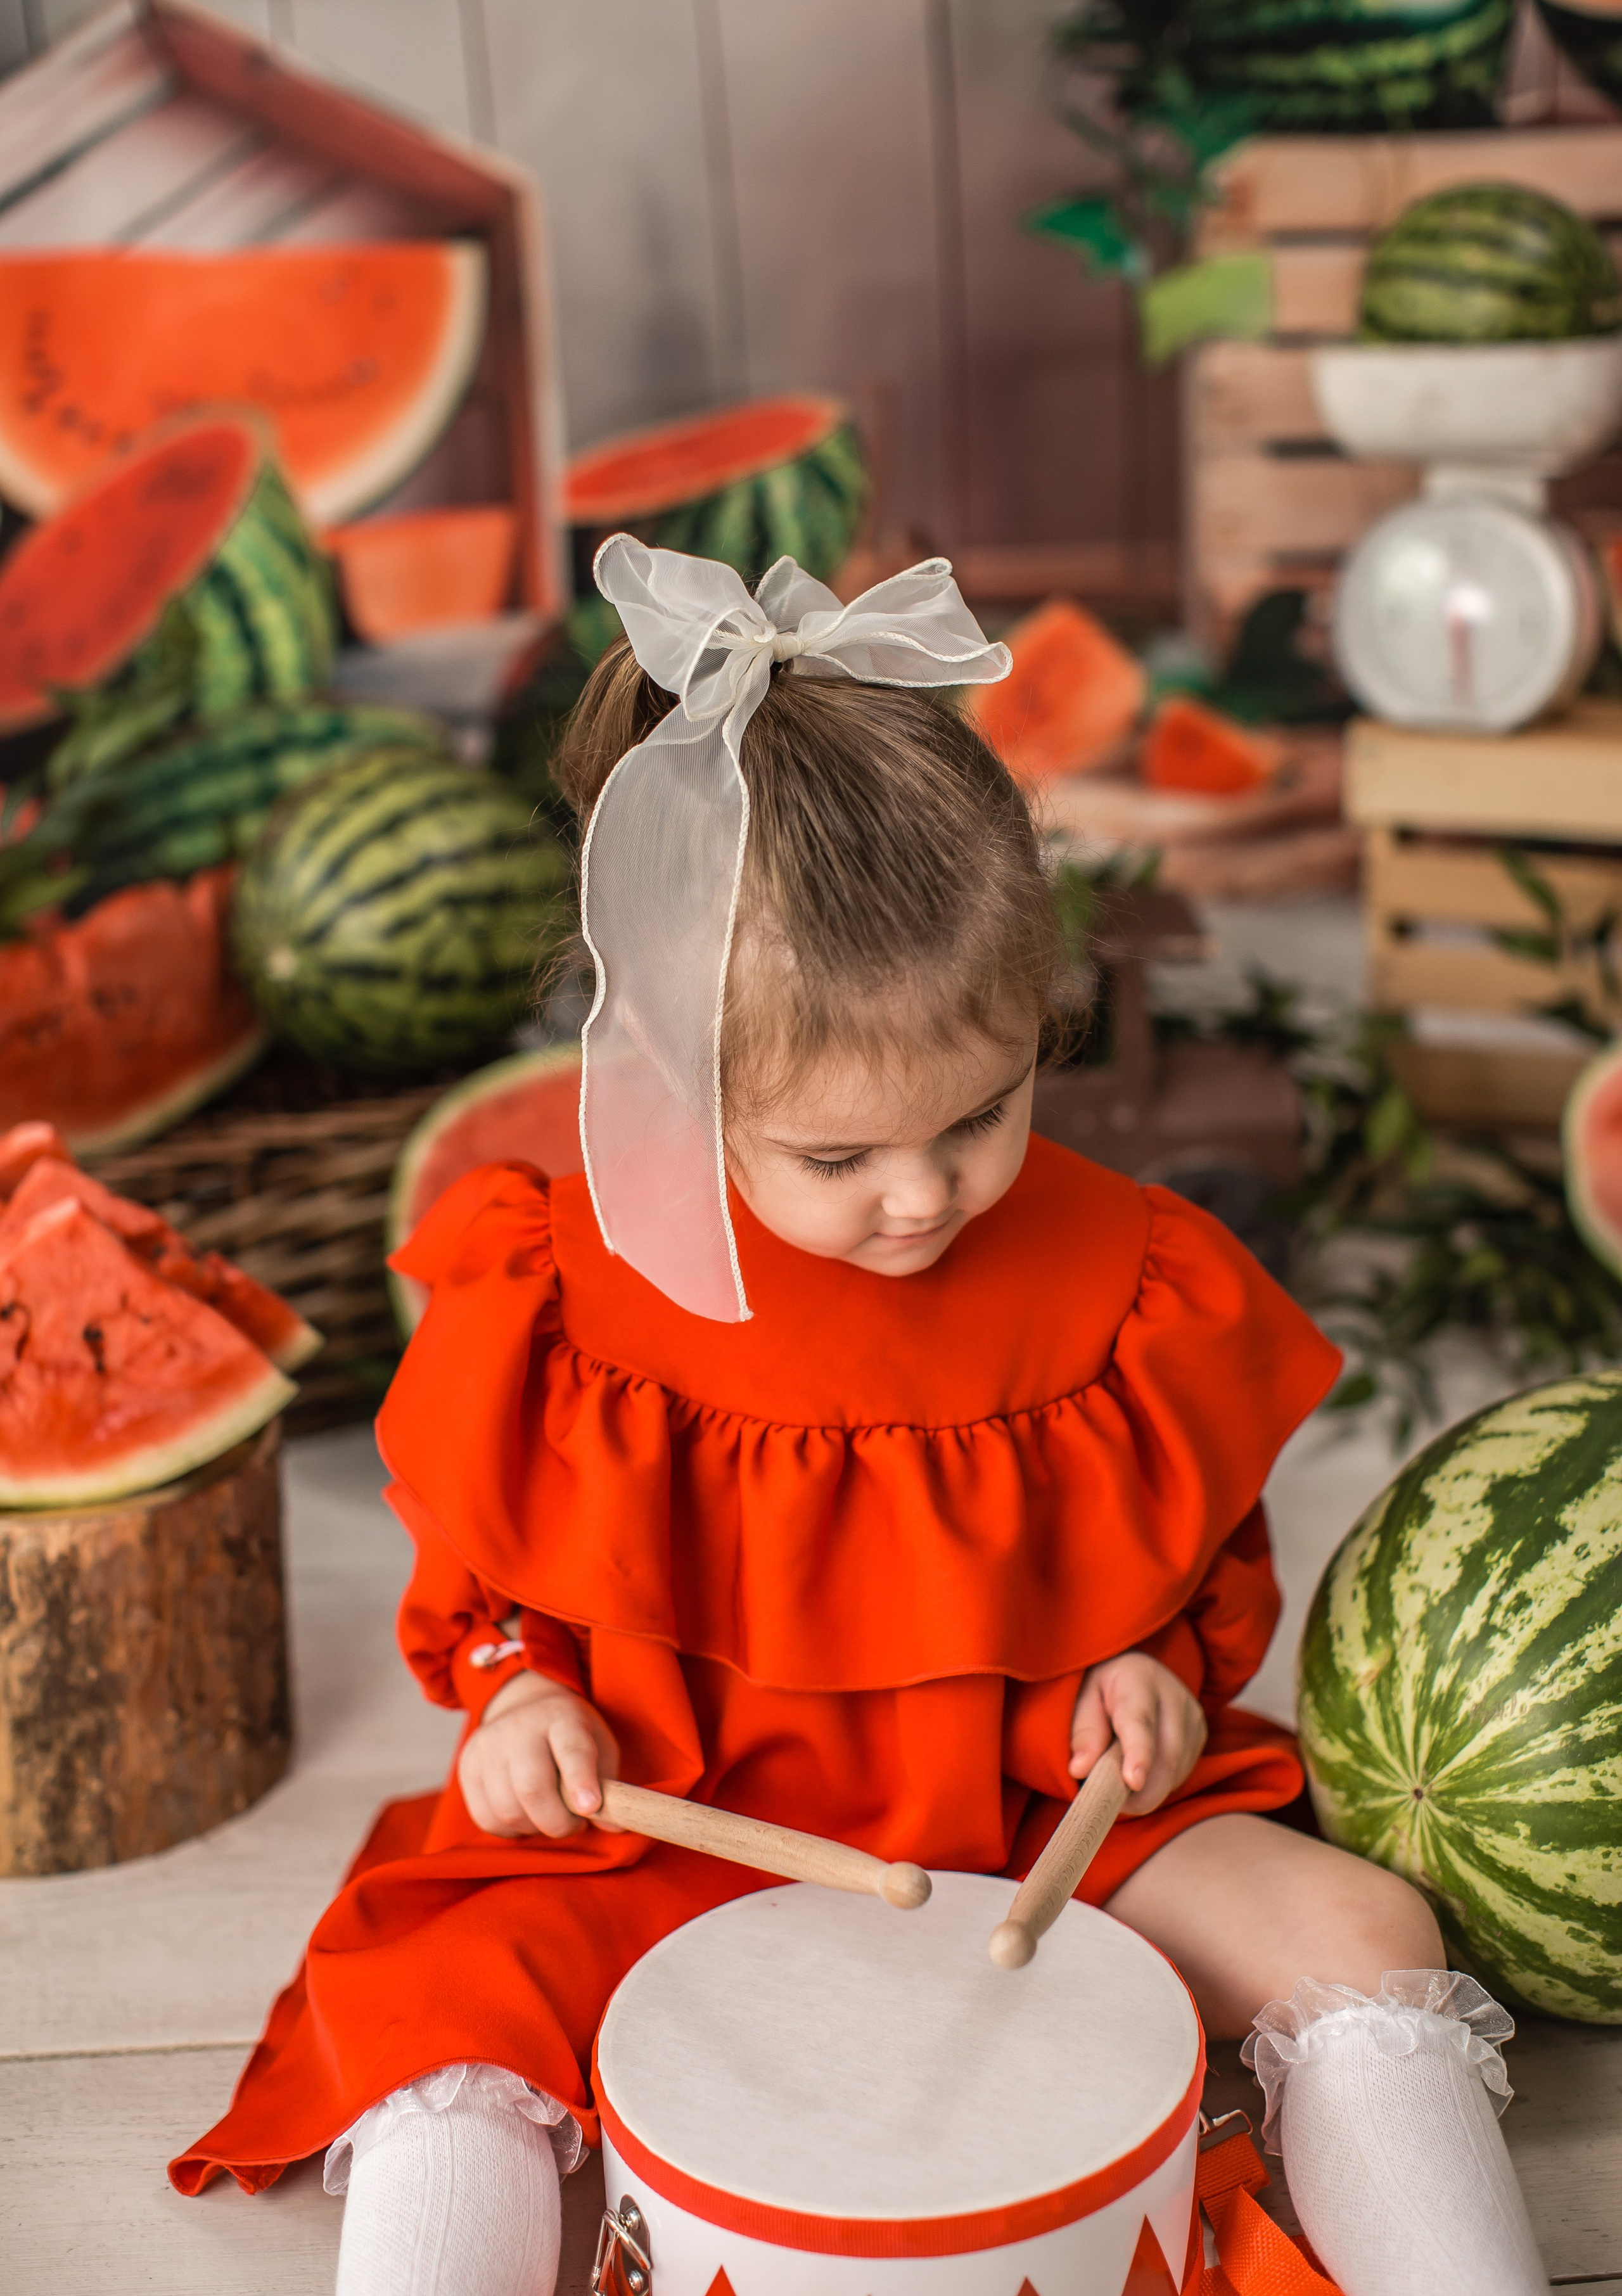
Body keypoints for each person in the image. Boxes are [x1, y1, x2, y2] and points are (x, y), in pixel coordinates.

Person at [172, 542, 1549, 2296]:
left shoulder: (1128, 1281)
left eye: (980, 1114)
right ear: (673, 1068)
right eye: (839, 1158)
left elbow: (1181, 1567)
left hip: (1031, 1813)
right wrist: (518, 1689)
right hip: (663, 1825)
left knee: (1359, 1928)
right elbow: (490, 1574)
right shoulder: (564, 1285)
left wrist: (1155, 1681)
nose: (922, 1199)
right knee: (447, 2041)